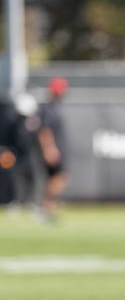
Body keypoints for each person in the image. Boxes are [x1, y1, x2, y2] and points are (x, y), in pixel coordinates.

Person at [37, 77, 69, 221]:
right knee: (58, 179)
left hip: (58, 149)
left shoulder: (55, 107)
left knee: (59, 179)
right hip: (53, 150)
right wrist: (49, 149)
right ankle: (45, 207)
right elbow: (44, 131)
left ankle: (48, 208)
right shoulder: (48, 108)